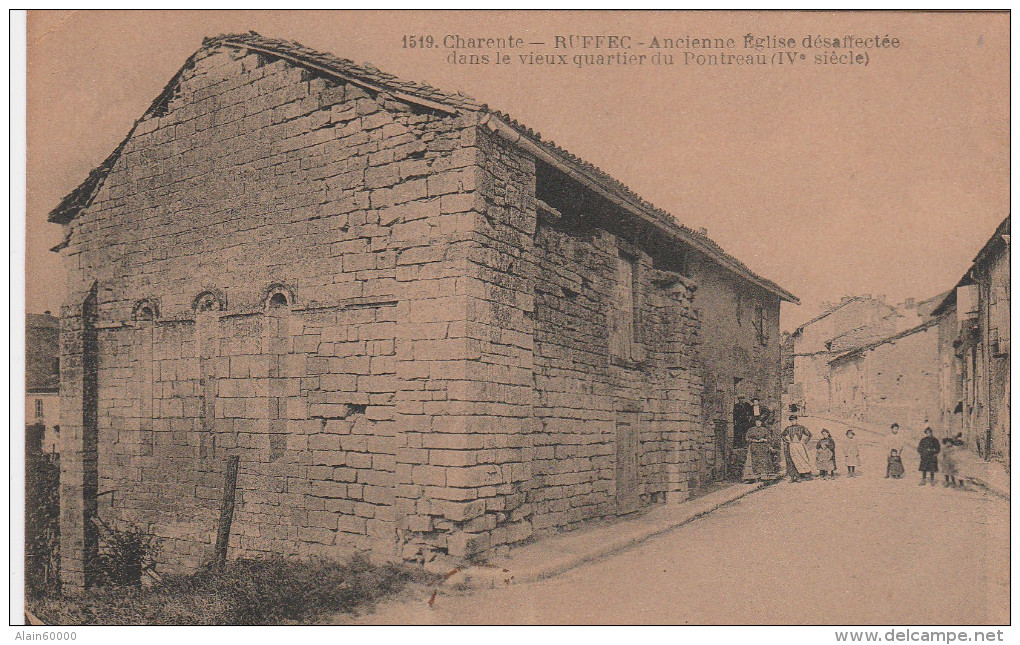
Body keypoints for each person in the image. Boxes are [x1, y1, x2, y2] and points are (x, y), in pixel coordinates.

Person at [781, 415, 813, 482]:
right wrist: (787, 441)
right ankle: (794, 476)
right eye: (791, 420)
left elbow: (809, 435)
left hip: (799, 445)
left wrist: (805, 441)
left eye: (794, 420)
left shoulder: (801, 427)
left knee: (802, 459)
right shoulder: (788, 428)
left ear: (796, 420)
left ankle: (805, 474)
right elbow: (782, 435)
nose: (793, 422)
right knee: (793, 460)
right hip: (792, 445)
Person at [742, 418, 771, 482]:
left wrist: (764, 440)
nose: (758, 423)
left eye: (759, 422)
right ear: (755, 423)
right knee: (754, 460)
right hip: (754, 447)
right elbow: (747, 438)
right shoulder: (751, 430)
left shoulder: (765, 430)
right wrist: (752, 440)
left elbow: (769, 438)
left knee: (763, 460)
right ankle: (754, 476)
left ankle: (763, 475)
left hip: (762, 447)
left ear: (761, 423)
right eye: (757, 422)